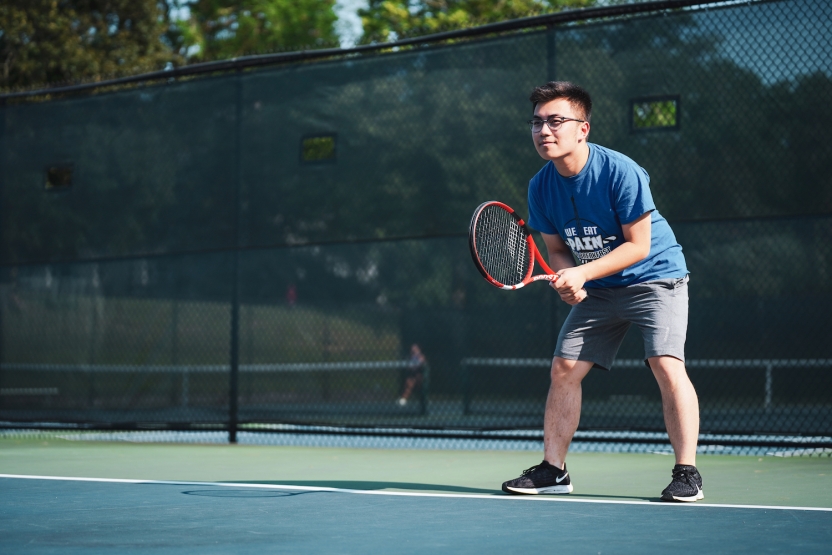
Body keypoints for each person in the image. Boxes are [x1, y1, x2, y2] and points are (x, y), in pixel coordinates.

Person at [500, 81, 703, 502]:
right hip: (601, 289)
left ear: (583, 128)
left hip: (657, 277)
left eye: (556, 121)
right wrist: (567, 278)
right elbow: (556, 250)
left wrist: (583, 274)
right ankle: (553, 471)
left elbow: (638, 245)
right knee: (563, 369)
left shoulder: (620, 171)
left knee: (665, 364)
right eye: (536, 123)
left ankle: (687, 473)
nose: (544, 131)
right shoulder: (541, 186)